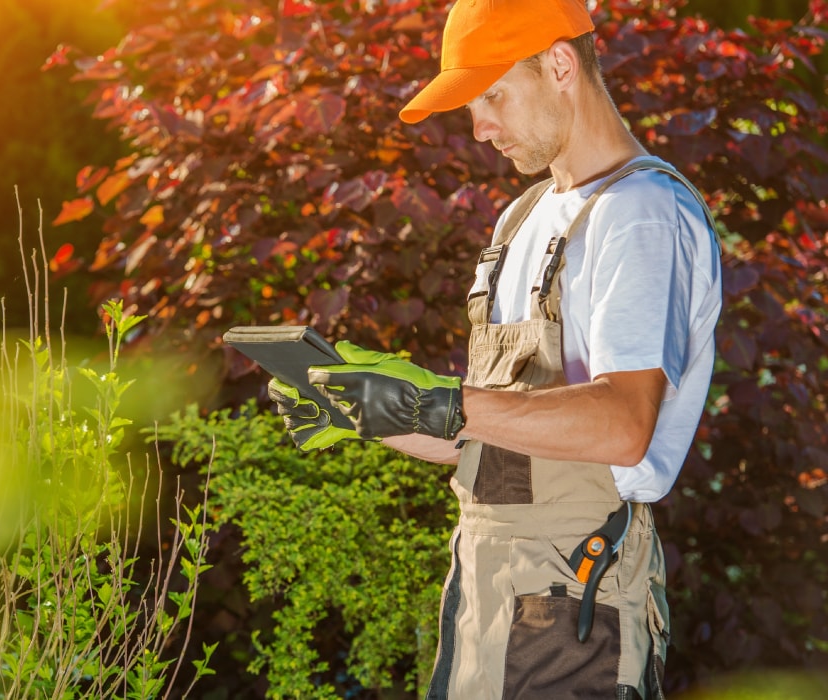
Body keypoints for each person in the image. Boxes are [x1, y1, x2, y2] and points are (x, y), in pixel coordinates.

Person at [267, 0, 723, 697]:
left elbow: (624, 425)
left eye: (492, 96)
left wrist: (440, 399)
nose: (479, 128)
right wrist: (370, 410)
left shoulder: (641, 215)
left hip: (576, 607)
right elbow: (487, 439)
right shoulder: (522, 217)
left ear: (561, 65)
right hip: (484, 598)